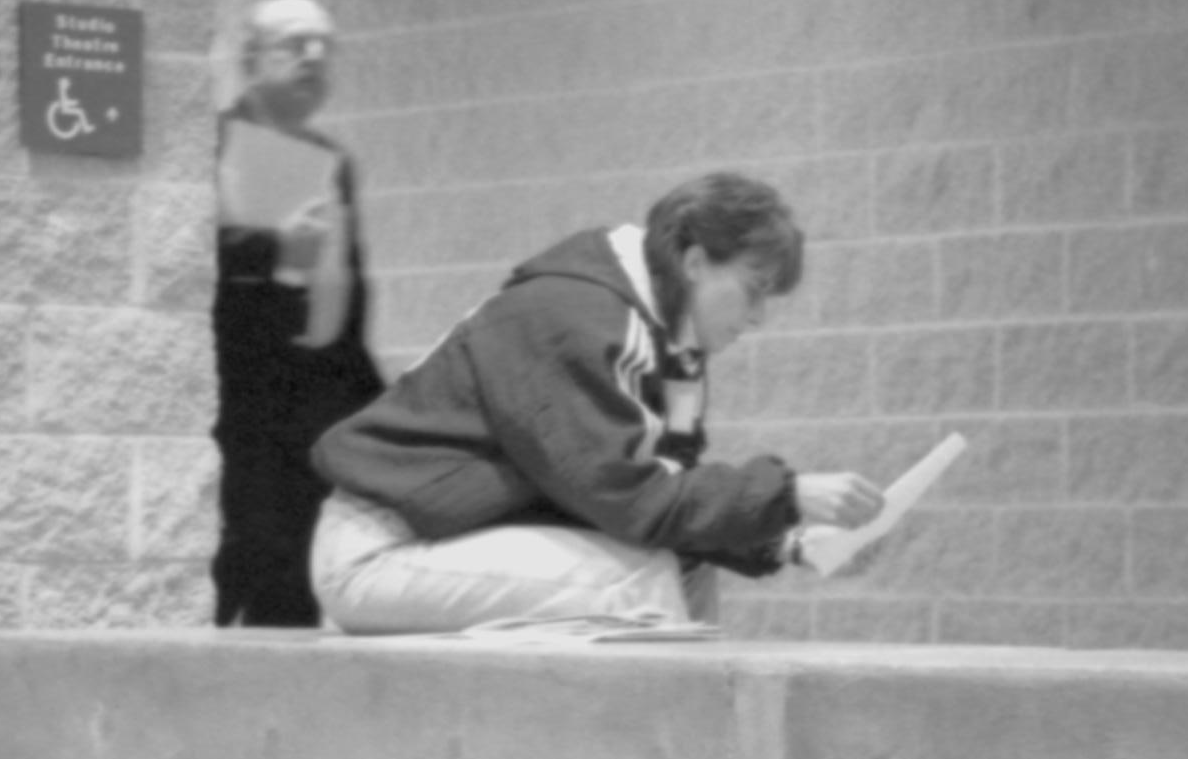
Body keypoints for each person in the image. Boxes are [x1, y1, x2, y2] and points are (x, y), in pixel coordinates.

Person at [310, 170, 884, 633]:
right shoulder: (571, 319)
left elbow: (667, 496)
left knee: (685, 566)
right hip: (379, 552)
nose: (758, 318)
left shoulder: (668, 345)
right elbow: (630, 499)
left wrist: (792, 542)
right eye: (754, 291)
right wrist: (786, 495)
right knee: (638, 585)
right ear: (694, 262)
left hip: (443, 543)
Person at [214, 0, 389, 629]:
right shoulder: (216, 146)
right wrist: (275, 248)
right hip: (247, 403)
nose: (314, 57)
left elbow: (348, 288)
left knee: (309, 577)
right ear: (250, 58)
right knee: (254, 566)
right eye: (295, 43)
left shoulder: (334, 160)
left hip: (320, 404)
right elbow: (196, 269)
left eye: (325, 45)